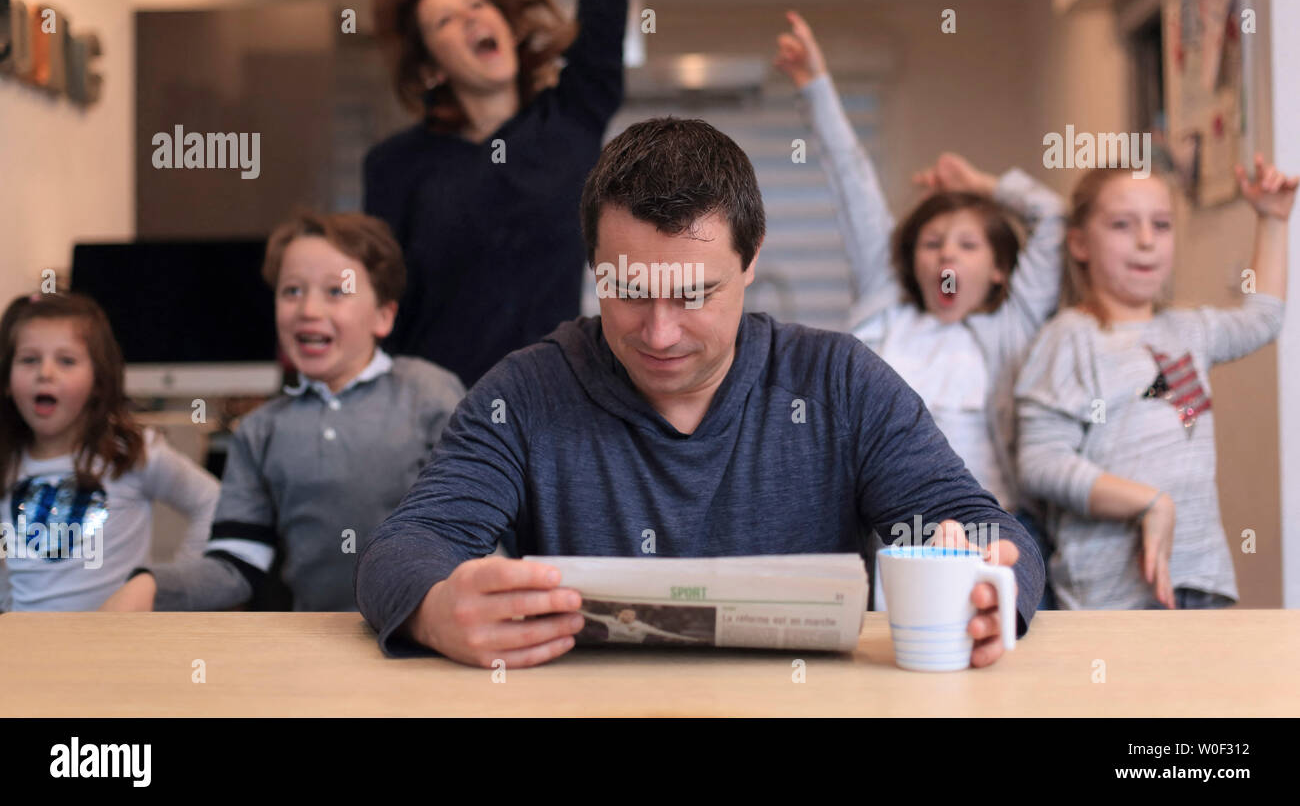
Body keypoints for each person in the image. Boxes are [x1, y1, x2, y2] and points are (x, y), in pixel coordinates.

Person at [355, 117, 1044, 669]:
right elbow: (407, 544)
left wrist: (991, 591)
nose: (658, 332)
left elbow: (985, 528)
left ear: (751, 259)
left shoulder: (839, 381)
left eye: (693, 294)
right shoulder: (528, 391)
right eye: (627, 290)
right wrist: (435, 607)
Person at [774, 10, 1067, 605]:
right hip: (889, 538)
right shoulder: (887, 308)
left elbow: (1054, 217)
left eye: (967, 243)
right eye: (932, 244)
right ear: (911, 262)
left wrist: (984, 185)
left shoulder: (1009, 328)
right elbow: (853, 185)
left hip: (996, 531)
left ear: (1001, 267)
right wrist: (817, 86)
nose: (946, 256)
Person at [364, 0, 638, 389]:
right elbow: (379, 302)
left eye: (477, 5)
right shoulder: (396, 164)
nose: (473, 19)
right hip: (438, 418)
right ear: (429, 69)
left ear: (506, 26)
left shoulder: (570, 118)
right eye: (447, 20)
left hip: (555, 404)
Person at [99, 212, 464, 612]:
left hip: (426, 636)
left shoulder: (428, 393)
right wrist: (151, 584)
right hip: (316, 646)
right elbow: (235, 564)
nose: (308, 308)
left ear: (384, 315)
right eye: (292, 291)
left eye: (335, 291)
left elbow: (472, 530)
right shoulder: (260, 430)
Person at [1015, 157, 1295, 609]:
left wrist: (1273, 219)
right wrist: (1147, 502)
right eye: (1123, 225)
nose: (1146, 241)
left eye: (1161, 225)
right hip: (1110, 596)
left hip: (1202, 580)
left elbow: (1262, 318)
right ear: (1080, 243)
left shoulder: (1191, 329)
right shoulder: (1068, 339)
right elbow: (1041, 461)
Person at [0, 292, 218, 611]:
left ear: (99, 381)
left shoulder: (131, 452)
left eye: (66, 361)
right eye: (29, 359)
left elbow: (211, 502)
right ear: (6, 379)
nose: (45, 372)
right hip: (29, 649)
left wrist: (169, 587)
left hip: (115, 651)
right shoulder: (7, 462)